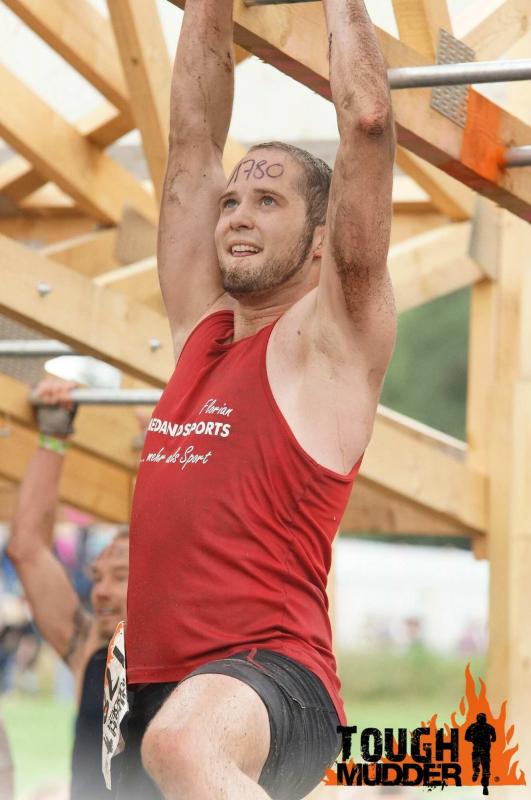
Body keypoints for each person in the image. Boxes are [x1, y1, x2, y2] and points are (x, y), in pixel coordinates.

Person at [121, 1, 396, 798]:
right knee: (172, 745)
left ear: (320, 240)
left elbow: (368, 122)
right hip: (155, 687)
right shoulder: (203, 329)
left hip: (273, 677)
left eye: (268, 202)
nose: (238, 216)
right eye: (233, 202)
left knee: (184, 745)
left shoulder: (329, 341)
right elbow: (192, 141)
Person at [7, 377, 129, 799]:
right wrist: (54, 433)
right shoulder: (91, 646)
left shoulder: (195, 651)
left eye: (120, 576)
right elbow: (27, 550)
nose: (101, 591)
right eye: (96, 577)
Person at [465, 713, 496, 796]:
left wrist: (473, 739)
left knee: (481, 767)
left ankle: (483, 782)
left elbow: (466, 737)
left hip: (480, 750)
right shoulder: (488, 727)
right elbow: (494, 738)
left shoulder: (474, 726)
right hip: (483, 750)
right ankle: (483, 783)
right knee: (484, 768)